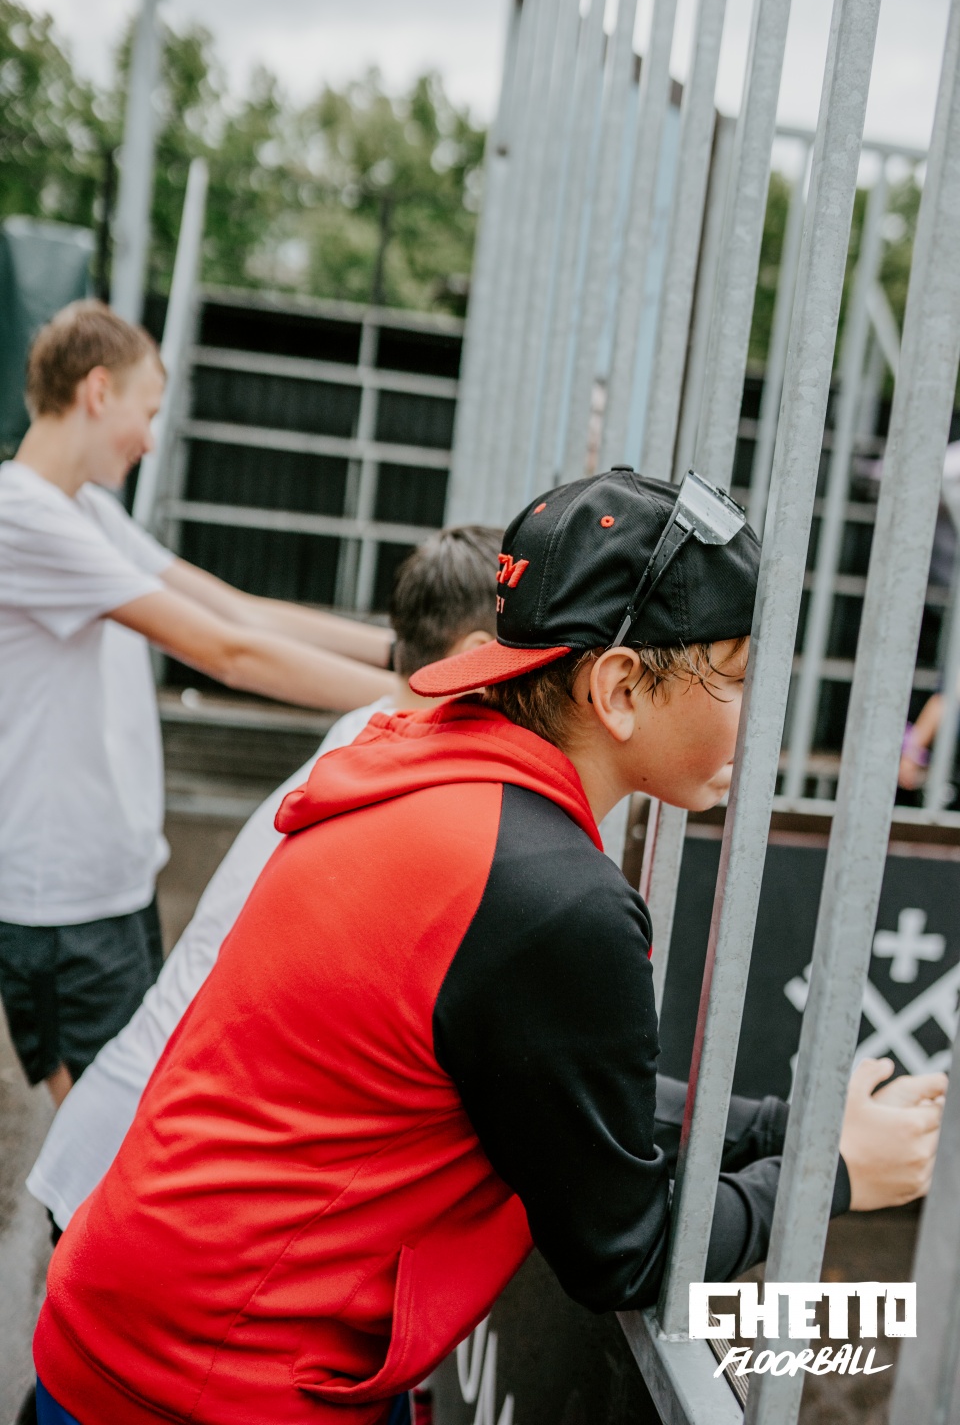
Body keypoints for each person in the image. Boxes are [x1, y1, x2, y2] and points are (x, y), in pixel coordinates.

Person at [33, 469, 945, 1425]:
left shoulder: (424, 767)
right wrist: (830, 1174)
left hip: (134, 1324)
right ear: (618, 688)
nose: (761, 721)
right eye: (739, 677)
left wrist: (783, 1128)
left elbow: (544, 1082)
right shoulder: (548, 895)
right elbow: (625, 1251)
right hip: (203, 1385)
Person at [25, 524, 502, 1234]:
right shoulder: (391, 771)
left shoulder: (369, 730)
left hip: (137, 1143)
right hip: (143, 1167)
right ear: (475, 655)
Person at [0, 300, 393, 1107]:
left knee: (132, 1126)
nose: (150, 440)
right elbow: (224, 652)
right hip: (60, 904)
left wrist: (395, 653)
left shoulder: (85, 509)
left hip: (114, 883)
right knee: (106, 1146)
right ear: (98, 391)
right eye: (147, 413)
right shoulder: (22, 516)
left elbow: (234, 609)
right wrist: (416, 695)